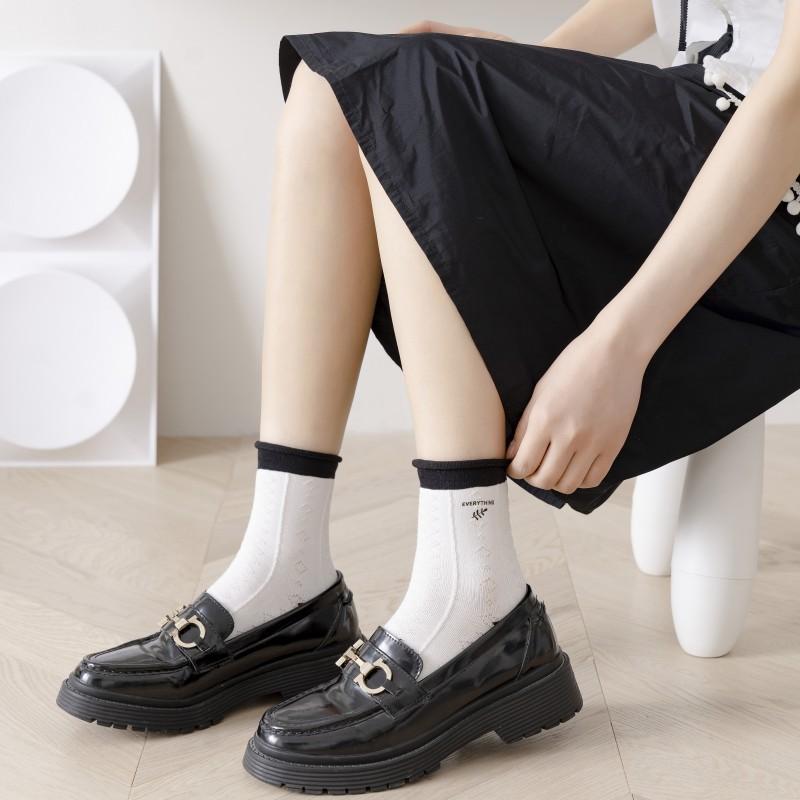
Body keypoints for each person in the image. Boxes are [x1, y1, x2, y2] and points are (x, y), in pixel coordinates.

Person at [57, 0, 800, 793]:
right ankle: (284, 575)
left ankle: (475, 595)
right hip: (700, 120)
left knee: (409, 92)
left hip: (773, 190)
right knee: (336, 85)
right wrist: (520, 80)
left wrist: (620, 346)